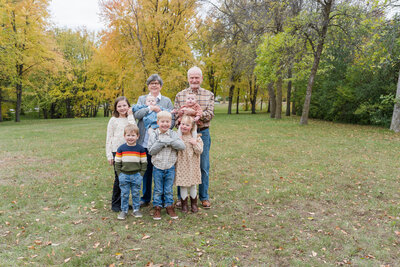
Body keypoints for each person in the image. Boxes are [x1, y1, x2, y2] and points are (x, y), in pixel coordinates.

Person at [174, 66, 214, 209]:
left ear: (201, 78)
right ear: (188, 79)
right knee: (181, 164)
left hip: (202, 132)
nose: (194, 80)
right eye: (192, 77)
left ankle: (203, 197)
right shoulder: (180, 95)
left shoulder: (208, 94)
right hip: (183, 135)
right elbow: (176, 116)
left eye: (197, 77)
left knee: (203, 165)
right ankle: (181, 198)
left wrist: (193, 112)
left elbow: (210, 114)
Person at [134, 74, 174, 207]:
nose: (154, 85)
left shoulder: (166, 100)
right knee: (146, 170)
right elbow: (137, 115)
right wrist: (150, 108)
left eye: (156, 83)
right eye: (151, 83)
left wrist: (163, 129)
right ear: (148, 86)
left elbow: (172, 120)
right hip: (144, 141)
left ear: (160, 85)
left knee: (161, 170)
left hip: (161, 141)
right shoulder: (142, 99)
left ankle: (162, 198)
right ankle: (145, 198)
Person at [147, 111, 185, 220]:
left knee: (168, 189)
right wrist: (162, 142)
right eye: (162, 121)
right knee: (158, 189)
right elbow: (151, 151)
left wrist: (170, 141)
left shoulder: (173, 134)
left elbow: (182, 146)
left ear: (171, 123)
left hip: (170, 166)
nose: (165, 124)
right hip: (157, 166)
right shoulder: (154, 134)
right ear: (158, 122)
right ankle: (157, 207)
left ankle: (169, 206)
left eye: (167, 122)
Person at [105, 96, 136, 212]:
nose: (122, 108)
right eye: (119, 106)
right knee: (119, 179)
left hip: (129, 152)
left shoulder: (130, 119)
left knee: (127, 179)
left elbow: (134, 129)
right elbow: (109, 138)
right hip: (116, 152)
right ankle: (115, 204)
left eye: (124, 105)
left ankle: (124, 203)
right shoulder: (113, 120)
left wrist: (131, 115)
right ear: (116, 108)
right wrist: (109, 155)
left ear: (128, 106)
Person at [114, 124, 147, 220]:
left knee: (136, 193)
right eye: (128, 135)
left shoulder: (140, 149)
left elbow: (144, 163)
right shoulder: (121, 149)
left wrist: (141, 174)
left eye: (133, 135)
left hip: (136, 175)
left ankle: (136, 209)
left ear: (137, 136)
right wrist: (120, 174)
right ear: (124, 136)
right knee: (124, 193)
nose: (130, 138)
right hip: (124, 175)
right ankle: (124, 210)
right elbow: (117, 163)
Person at [175, 115, 203, 213]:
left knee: (192, 185)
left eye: (187, 125)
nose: (184, 126)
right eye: (182, 124)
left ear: (192, 127)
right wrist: (178, 141)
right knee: (183, 185)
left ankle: (194, 204)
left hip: (192, 165)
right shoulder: (177, 137)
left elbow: (199, 151)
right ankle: (184, 205)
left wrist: (194, 143)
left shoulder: (196, 138)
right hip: (182, 165)